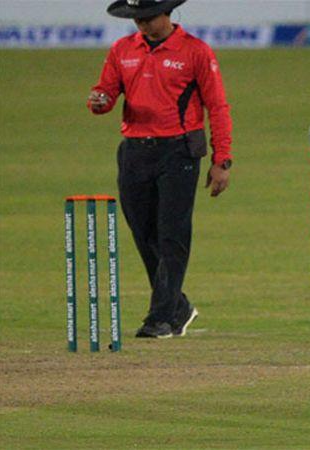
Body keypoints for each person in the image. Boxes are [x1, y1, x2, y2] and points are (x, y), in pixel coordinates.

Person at [87, 0, 233, 339]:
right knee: (144, 234)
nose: (141, 24)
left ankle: (162, 318)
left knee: (172, 235)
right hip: (134, 151)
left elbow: (217, 106)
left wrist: (222, 160)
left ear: (166, 14)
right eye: (136, 18)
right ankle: (178, 306)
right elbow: (106, 93)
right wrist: (99, 101)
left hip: (179, 151)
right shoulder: (122, 49)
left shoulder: (195, 51)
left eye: (148, 18)